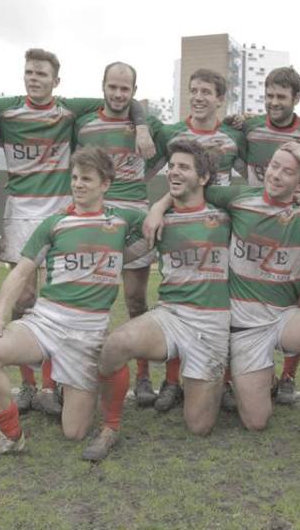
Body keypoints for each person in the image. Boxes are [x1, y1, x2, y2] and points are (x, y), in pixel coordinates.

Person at [0, 48, 151, 416]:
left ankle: (52, 384)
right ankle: (29, 386)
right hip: (21, 213)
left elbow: (128, 101)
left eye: (42, 74)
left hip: (63, 210)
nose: (34, 78)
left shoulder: (70, 108)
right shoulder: (5, 109)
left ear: (55, 81)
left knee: (60, 299)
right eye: (29, 72)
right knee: (25, 300)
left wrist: (142, 126)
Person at [0, 147, 147, 466]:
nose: (78, 184)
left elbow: (155, 229)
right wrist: (1, 316)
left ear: (106, 184)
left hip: (88, 335)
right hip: (46, 322)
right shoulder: (54, 223)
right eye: (74, 178)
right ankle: (9, 436)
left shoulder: (123, 220)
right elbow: (20, 273)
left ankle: (63, 385)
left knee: (74, 432)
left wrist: (125, 254)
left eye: (86, 179)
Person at [81, 139, 231, 461]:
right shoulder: (156, 223)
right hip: (171, 316)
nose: (174, 172)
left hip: (212, 323)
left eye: (184, 167)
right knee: (115, 345)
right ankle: (109, 427)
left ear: (204, 178)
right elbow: (124, 254)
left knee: (199, 426)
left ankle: (218, 376)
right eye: (171, 166)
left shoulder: (225, 216)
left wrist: (159, 204)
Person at [208, 142, 300, 430]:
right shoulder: (239, 198)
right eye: (274, 166)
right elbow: (192, 192)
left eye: (288, 171)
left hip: (285, 317)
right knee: (256, 422)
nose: (277, 175)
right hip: (246, 326)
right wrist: (158, 208)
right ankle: (259, 373)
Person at [145, 68, 245, 411]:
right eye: (194, 90)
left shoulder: (234, 135)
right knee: (178, 296)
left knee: (225, 301)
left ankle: (225, 379)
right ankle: (171, 382)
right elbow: (158, 169)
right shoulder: (172, 133)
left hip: (221, 223)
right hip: (181, 222)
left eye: (206, 91)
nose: (199, 97)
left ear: (220, 99)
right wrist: (159, 205)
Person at [73, 62, 161, 407]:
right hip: (95, 217)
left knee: (136, 299)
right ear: (103, 86)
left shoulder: (148, 124)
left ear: (134, 92)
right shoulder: (83, 123)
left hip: (135, 215)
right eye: (113, 87)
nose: (118, 94)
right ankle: (81, 372)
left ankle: (142, 376)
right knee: (89, 298)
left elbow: (168, 151)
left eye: (126, 89)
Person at [236, 66, 300, 404]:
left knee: (295, 295)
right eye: (269, 95)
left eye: (281, 97)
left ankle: (288, 376)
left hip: (295, 225)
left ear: (296, 98)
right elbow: (239, 164)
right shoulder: (251, 128)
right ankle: (249, 370)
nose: (274, 102)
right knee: (246, 298)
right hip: (255, 228)